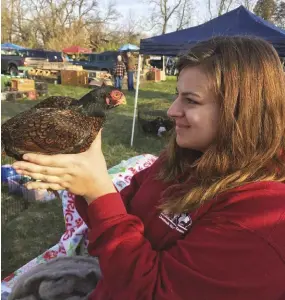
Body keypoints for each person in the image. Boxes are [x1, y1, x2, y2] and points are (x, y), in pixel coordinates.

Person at [13, 36, 285, 300]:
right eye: (177, 95)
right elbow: (116, 215)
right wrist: (78, 180)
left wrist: (99, 192)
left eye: (191, 100)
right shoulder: (180, 159)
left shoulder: (264, 218)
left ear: (241, 111)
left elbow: (154, 292)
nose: (171, 111)